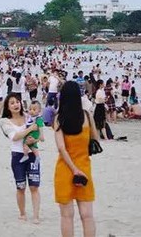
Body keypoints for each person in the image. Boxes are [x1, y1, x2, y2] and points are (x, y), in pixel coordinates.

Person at [53, 81, 98, 236]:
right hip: (84, 168)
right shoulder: (87, 116)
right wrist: (79, 169)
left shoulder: (59, 118)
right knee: (87, 215)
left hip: (65, 169)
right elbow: (96, 139)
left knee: (66, 216)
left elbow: (61, 148)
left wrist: (73, 170)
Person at [0, 93, 41, 224]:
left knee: (34, 187)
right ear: (7, 106)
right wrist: (30, 130)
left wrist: (36, 138)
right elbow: (14, 137)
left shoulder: (29, 116)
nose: (16, 105)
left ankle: (36, 215)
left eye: (17, 102)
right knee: (21, 187)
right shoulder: (4, 121)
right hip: (18, 156)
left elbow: (38, 132)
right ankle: (22, 213)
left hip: (33, 155)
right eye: (12, 103)